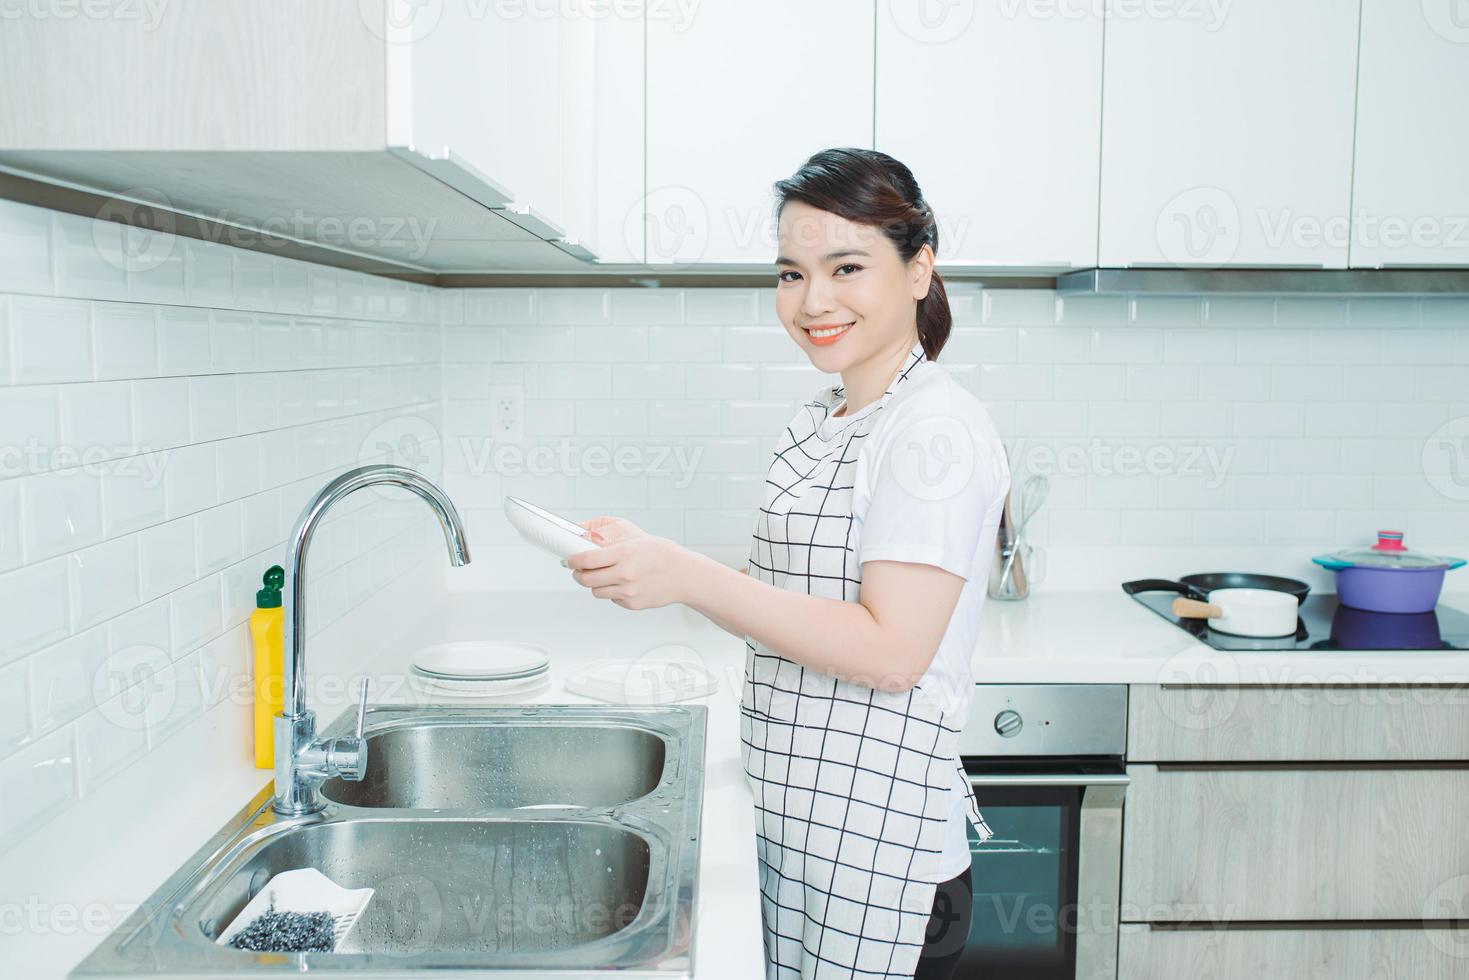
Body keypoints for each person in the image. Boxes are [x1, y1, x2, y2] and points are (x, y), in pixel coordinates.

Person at [566, 146, 1010, 979]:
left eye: (846, 267)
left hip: (883, 857)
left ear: (919, 269)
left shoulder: (933, 431)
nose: (812, 302)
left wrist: (687, 576)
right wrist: (653, 564)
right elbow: (793, 595)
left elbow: (889, 652)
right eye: (789, 274)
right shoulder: (827, 413)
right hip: (805, 827)